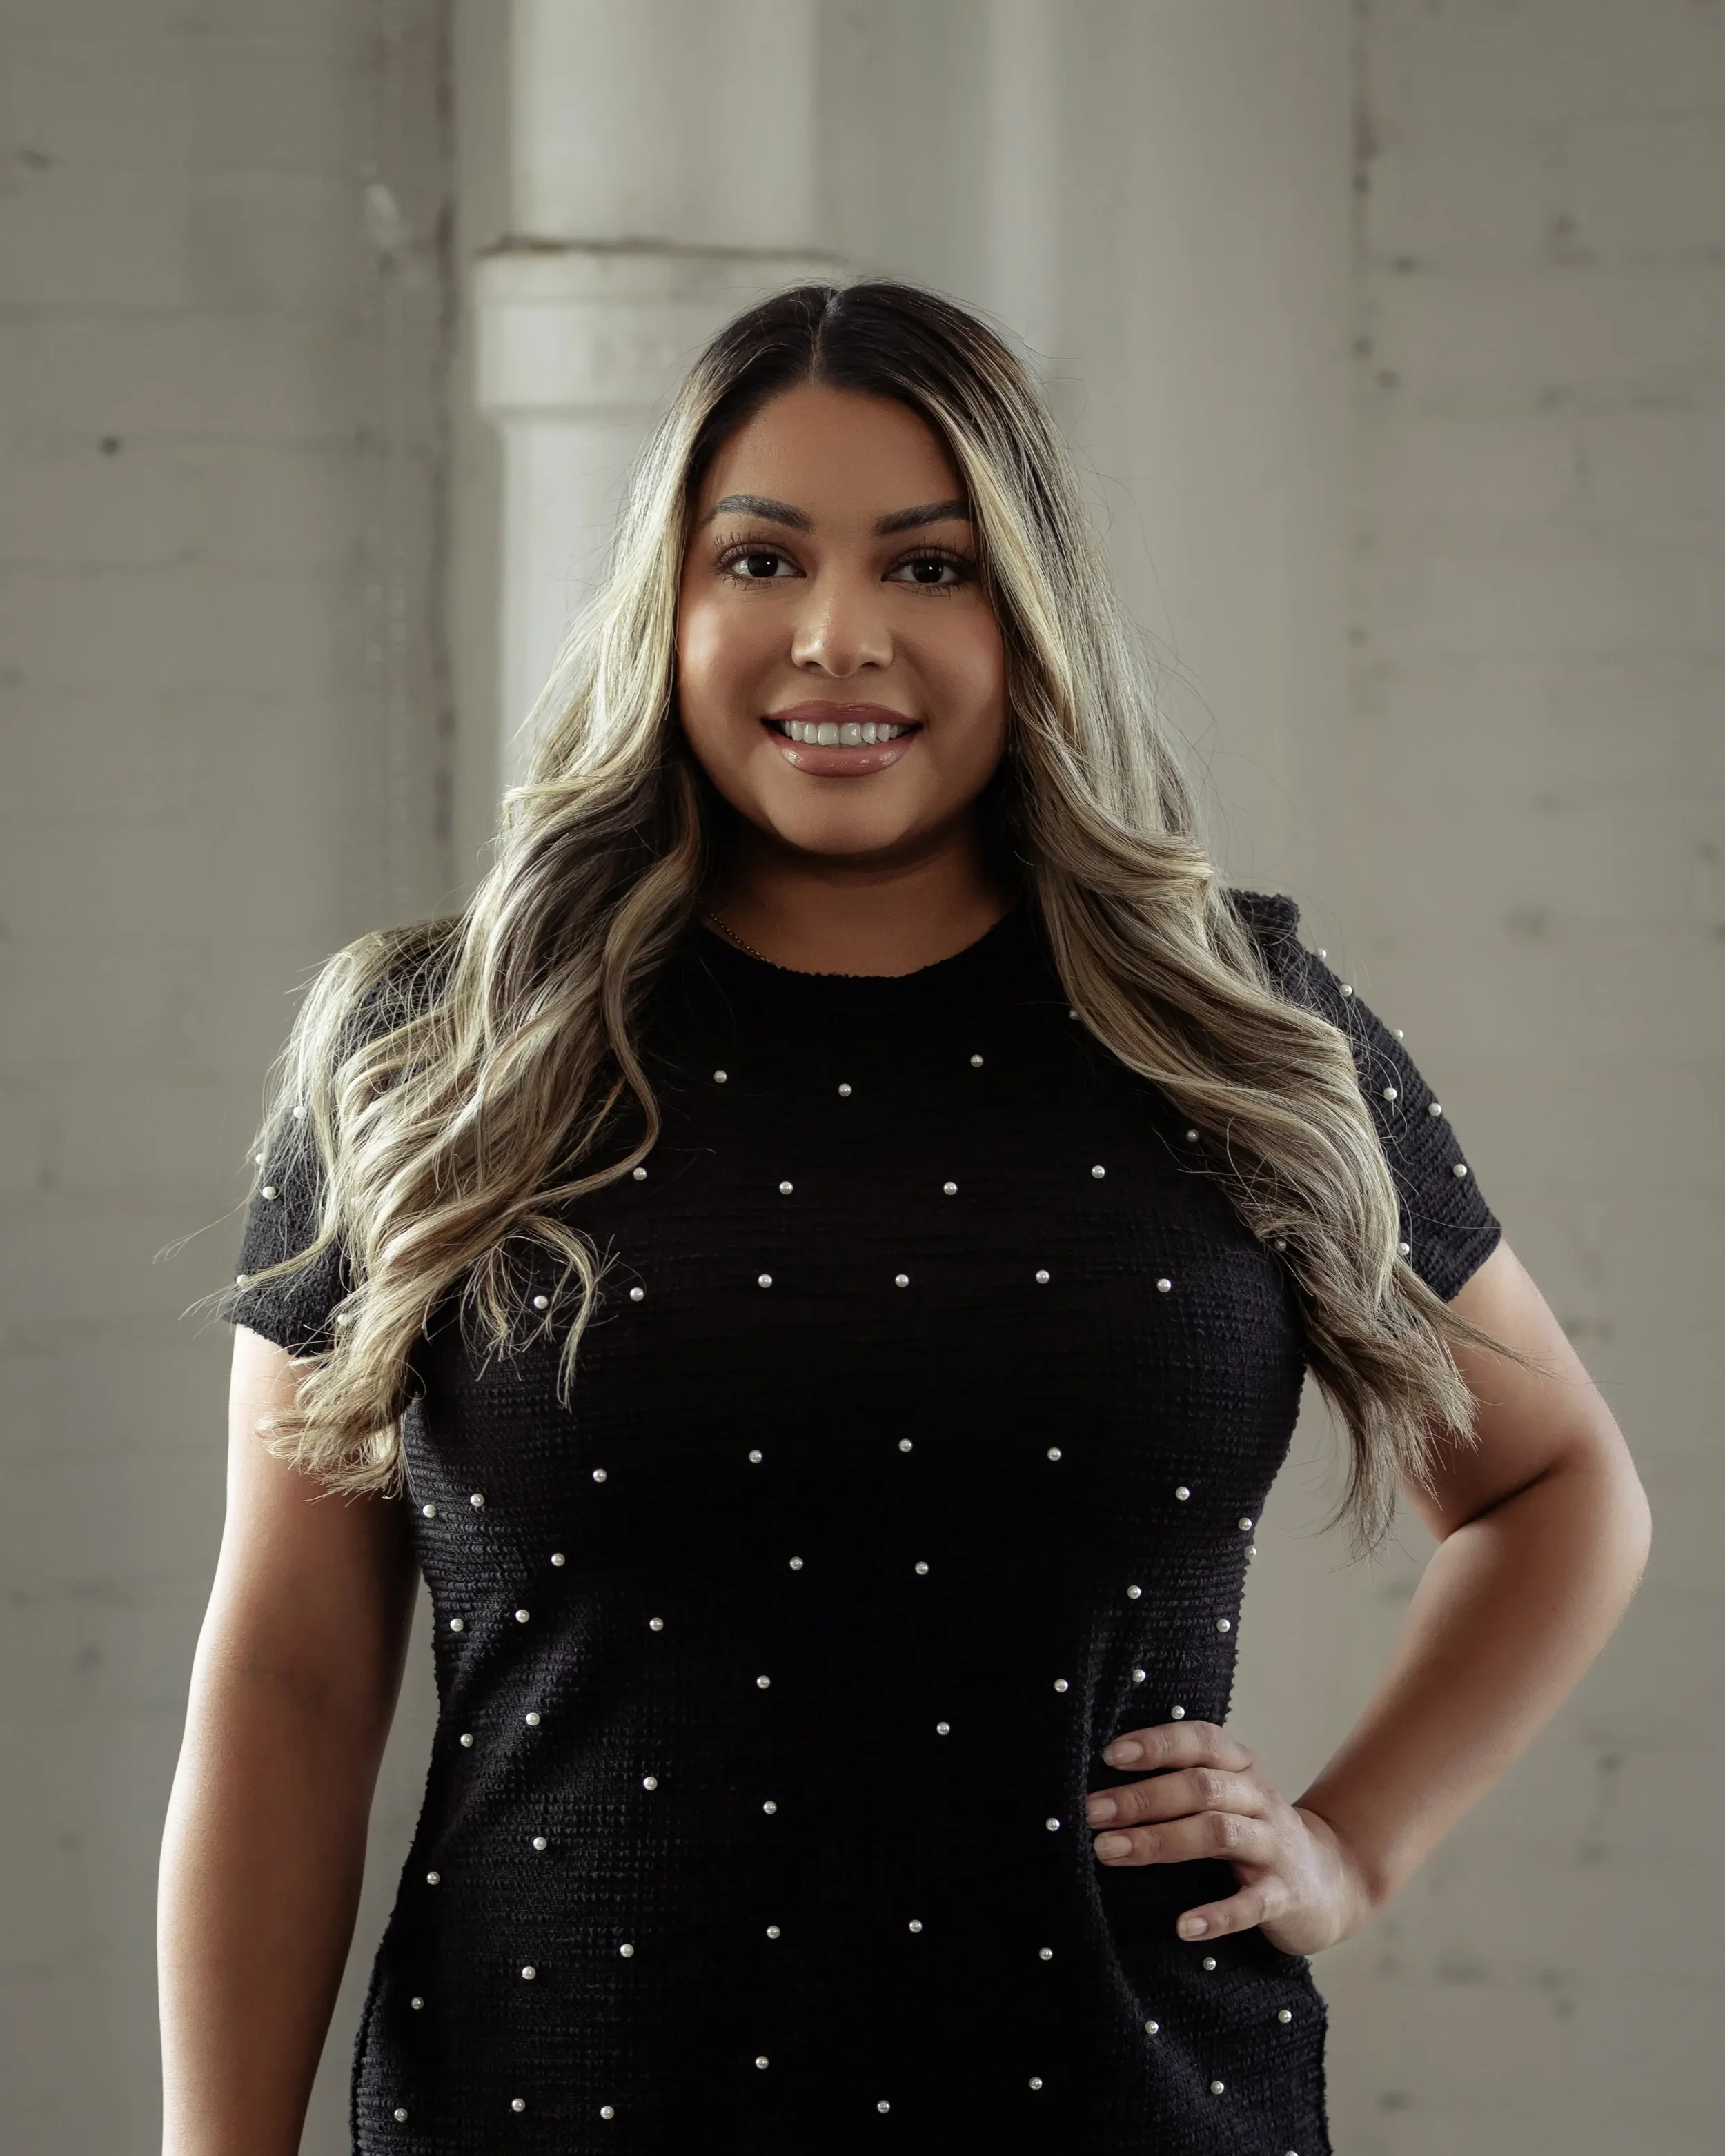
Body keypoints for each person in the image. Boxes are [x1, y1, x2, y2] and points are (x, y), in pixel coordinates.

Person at [158, 279, 1650, 2156]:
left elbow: (1556, 1485)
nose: (836, 635)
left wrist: (1347, 1841)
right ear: (668, 604)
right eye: (759, 557)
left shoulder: (1241, 1026)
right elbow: (290, 1679)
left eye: (929, 567)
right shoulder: (427, 1054)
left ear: (1031, 613)